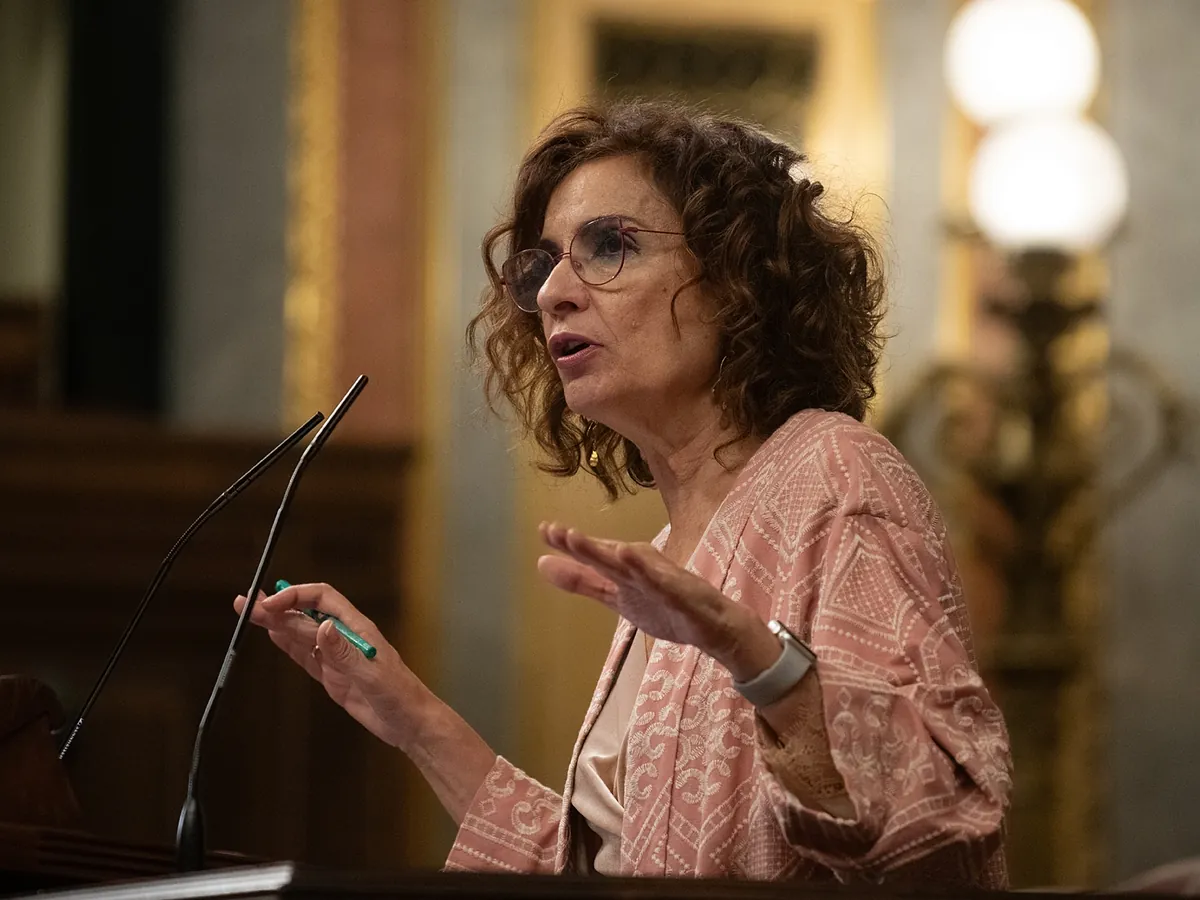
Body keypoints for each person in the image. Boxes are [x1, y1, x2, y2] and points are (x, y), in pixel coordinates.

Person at [236, 100, 1012, 885]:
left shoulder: (837, 473)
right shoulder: (670, 552)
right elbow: (618, 874)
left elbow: (945, 825)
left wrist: (755, 656)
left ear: (736, 278)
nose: (553, 294)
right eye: (545, 265)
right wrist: (411, 717)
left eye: (610, 245)